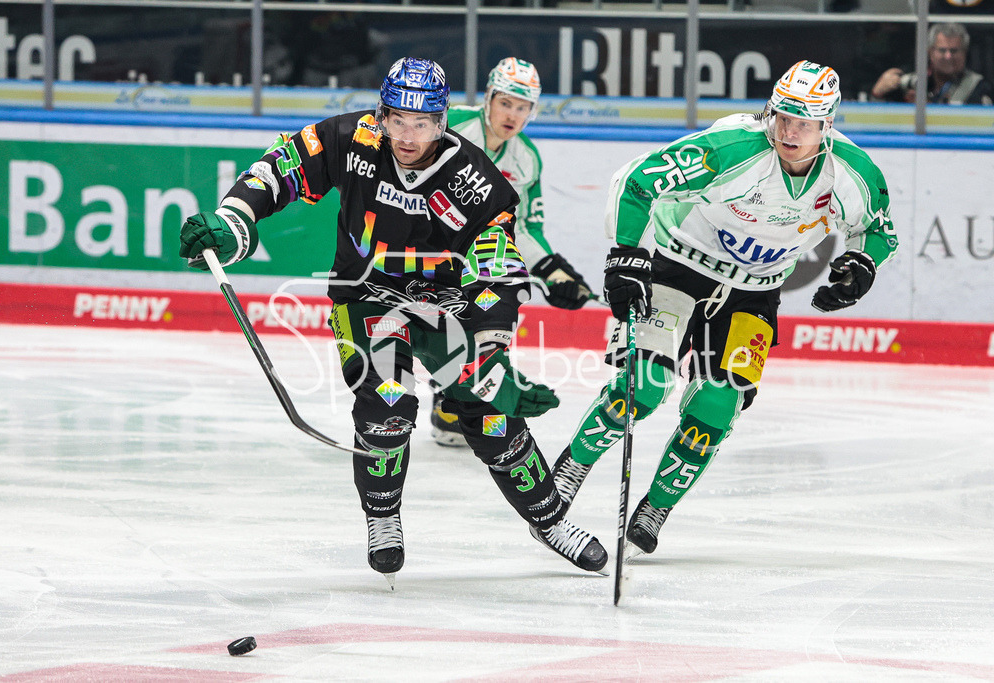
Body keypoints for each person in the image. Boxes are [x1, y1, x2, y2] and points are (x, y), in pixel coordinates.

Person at [178, 57, 607, 581]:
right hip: (367, 298)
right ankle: (383, 518)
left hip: (449, 303)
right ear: (381, 113)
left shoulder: (477, 180)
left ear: (442, 120)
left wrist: (491, 365)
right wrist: (234, 222)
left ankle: (550, 519)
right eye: (398, 119)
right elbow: (276, 172)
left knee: (490, 411)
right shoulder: (349, 136)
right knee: (387, 402)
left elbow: (499, 275)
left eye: (422, 122)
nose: (408, 134)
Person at [549, 60, 899, 557]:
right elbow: (639, 180)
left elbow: (880, 230)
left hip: (756, 293)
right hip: (679, 266)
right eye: (783, 116)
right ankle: (571, 469)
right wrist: (626, 251)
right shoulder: (731, 149)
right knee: (642, 387)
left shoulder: (853, 173)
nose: (789, 131)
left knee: (718, 403)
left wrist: (863, 263)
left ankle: (657, 506)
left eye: (804, 122)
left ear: (828, 124)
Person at [429, 57, 594, 447]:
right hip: (423, 241)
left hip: (472, 252)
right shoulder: (449, 129)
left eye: (522, 108)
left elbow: (525, 228)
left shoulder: (526, 159)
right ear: (488, 99)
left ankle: (456, 396)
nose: (513, 115)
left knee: (502, 288)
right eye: (506, 103)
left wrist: (555, 271)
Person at [870, 23, 994, 105]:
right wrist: (878, 93)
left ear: (965, 53)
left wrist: (927, 109)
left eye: (954, 51)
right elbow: (877, 120)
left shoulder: (979, 88)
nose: (948, 56)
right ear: (930, 52)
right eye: (942, 50)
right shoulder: (912, 82)